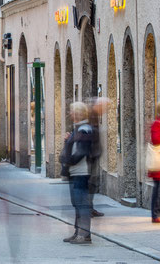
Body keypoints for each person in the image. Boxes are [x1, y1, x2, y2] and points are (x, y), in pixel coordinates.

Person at [60, 102, 93, 245]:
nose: (70, 114)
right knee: (77, 204)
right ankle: (78, 232)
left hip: (81, 172)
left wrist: (68, 160)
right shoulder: (78, 129)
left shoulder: (84, 129)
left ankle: (84, 235)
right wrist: (68, 141)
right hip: (75, 172)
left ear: (79, 113)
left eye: (72, 111)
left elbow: (81, 152)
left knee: (82, 205)